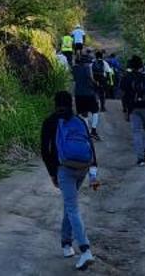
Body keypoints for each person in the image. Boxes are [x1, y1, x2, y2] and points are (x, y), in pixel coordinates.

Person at [40, 90, 100, 269]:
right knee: (69, 204)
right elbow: (90, 146)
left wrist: (52, 173)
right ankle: (66, 244)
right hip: (82, 168)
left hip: (64, 169)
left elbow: (45, 150)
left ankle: (85, 249)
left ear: (55, 103)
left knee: (72, 208)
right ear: (71, 103)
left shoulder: (50, 122)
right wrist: (93, 174)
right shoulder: (80, 121)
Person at [119, 55, 145, 166]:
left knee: (136, 132)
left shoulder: (126, 78)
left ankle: (140, 157)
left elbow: (123, 95)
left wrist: (125, 110)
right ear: (141, 66)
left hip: (133, 108)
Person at [71, 49, 104, 137]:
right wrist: (96, 84)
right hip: (89, 93)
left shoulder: (74, 68)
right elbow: (91, 79)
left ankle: (86, 131)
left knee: (83, 113)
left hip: (78, 94)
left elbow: (74, 79)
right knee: (95, 111)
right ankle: (93, 130)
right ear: (87, 62)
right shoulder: (88, 68)